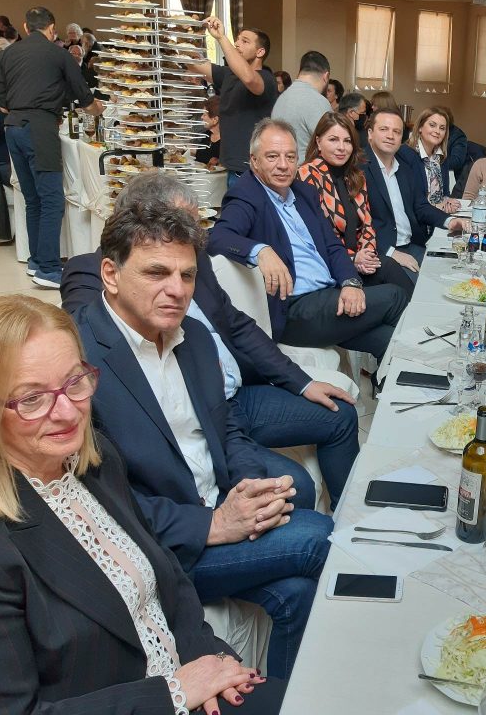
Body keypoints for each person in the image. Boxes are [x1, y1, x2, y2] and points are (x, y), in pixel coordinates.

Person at [0, 296, 282, 714]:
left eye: (75, 382)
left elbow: (168, 578)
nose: (68, 412)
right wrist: (174, 693)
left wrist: (212, 660)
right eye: (32, 399)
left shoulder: (94, 461)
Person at [72, 198, 333, 677]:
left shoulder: (191, 334)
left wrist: (249, 487)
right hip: (157, 549)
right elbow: (93, 502)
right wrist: (212, 525)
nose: (177, 290)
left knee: (297, 590)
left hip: (215, 506)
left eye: (187, 275)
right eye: (157, 273)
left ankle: (283, 700)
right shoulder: (79, 360)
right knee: (322, 537)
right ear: (110, 274)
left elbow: (226, 428)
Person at [60, 171, 360, 510]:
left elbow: (238, 326)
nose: (192, 238)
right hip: (188, 411)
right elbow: (85, 334)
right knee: (297, 488)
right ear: (144, 220)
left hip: (232, 398)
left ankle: (348, 516)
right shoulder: (90, 270)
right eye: (179, 223)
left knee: (340, 415)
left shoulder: (194, 261)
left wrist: (303, 383)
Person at [207, 118, 407, 359]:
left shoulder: (303, 192)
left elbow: (332, 246)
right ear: (254, 160)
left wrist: (350, 282)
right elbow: (218, 236)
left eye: (290, 157)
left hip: (327, 297)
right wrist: (261, 251)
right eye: (272, 157)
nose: (283, 165)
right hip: (294, 310)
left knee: (390, 341)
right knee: (395, 296)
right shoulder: (246, 194)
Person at [0, 6, 105, 288]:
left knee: (33, 199)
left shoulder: (7, 54)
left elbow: (2, 104)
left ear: (25, 26)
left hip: (12, 127)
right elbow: (84, 98)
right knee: (52, 200)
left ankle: (36, 261)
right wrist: (98, 110)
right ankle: (48, 268)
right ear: (52, 29)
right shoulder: (58, 54)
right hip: (40, 128)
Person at [297, 111, 414, 296]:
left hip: (359, 262)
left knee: (392, 272)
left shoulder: (355, 175)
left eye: (347, 141)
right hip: (331, 266)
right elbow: (317, 235)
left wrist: (367, 253)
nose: (341, 147)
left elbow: (367, 224)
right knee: (394, 289)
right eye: (333, 140)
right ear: (318, 142)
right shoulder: (307, 175)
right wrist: (353, 258)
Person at [365, 107, 467, 280]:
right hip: (383, 251)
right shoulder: (360, 170)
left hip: (412, 244)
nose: (390, 136)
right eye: (384, 129)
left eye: (396, 132)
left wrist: (450, 221)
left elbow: (420, 205)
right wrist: (390, 252)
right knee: (425, 285)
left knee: (453, 273)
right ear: (370, 133)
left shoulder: (403, 169)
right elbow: (358, 225)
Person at [185, 19, 277, 186]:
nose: (237, 44)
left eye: (245, 41)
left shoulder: (266, 78)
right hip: (230, 165)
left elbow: (249, 78)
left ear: (260, 52)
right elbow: (192, 64)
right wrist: (184, 35)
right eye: (237, 40)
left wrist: (221, 38)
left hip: (252, 169)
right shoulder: (228, 75)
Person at [271, 50, 332, 164]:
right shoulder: (319, 102)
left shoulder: (281, 99)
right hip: (306, 170)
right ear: (326, 76)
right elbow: (331, 147)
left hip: (281, 167)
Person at [407, 106, 462, 214]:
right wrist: (437, 206)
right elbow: (410, 199)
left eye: (442, 128)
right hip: (417, 218)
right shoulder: (406, 154)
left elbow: (445, 194)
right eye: (432, 125)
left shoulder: (442, 158)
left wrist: (448, 202)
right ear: (420, 127)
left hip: (437, 216)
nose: (437, 131)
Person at [195, 94, 222, 168]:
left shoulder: (226, 142)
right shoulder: (206, 135)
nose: (201, 117)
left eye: (204, 115)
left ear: (215, 120)